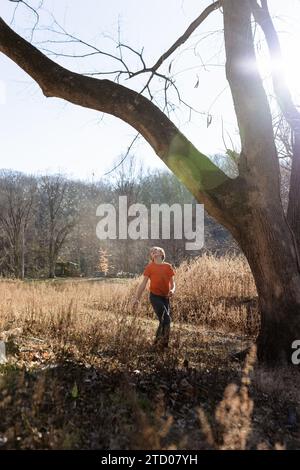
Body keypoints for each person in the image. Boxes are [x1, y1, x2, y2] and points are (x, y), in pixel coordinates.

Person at [132, 246, 176, 348]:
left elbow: (173, 283)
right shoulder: (149, 267)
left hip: (165, 298)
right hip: (155, 297)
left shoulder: (168, 267)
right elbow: (143, 284)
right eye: (152, 251)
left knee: (163, 321)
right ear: (151, 256)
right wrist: (136, 298)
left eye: (157, 250)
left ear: (162, 253)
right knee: (167, 319)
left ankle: (157, 344)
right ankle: (164, 346)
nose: (154, 252)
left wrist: (173, 290)